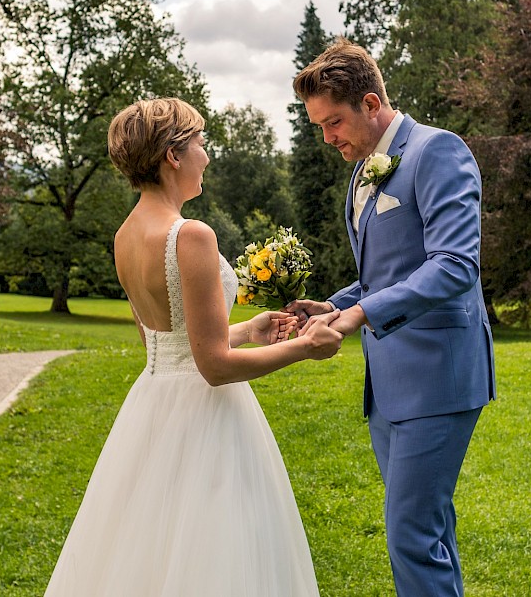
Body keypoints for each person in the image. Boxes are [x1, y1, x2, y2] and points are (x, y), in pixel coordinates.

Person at [44, 97, 342, 596]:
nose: (207, 155)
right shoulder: (190, 235)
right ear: (173, 156)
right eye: (201, 143)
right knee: (215, 553)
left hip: (153, 408)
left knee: (148, 548)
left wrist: (247, 331)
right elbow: (214, 367)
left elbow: (165, 341)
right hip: (207, 419)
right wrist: (306, 347)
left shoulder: (125, 236)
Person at [287, 38, 496, 597]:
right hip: (388, 385)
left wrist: (359, 314)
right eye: (319, 126)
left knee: (409, 534)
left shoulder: (439, 152)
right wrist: (333, 305)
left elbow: (454, 265)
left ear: (372, 104)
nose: (328, 138)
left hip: (438, 376)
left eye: (334, 122)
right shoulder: (361, 172)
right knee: (427, 530)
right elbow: (388, 274)